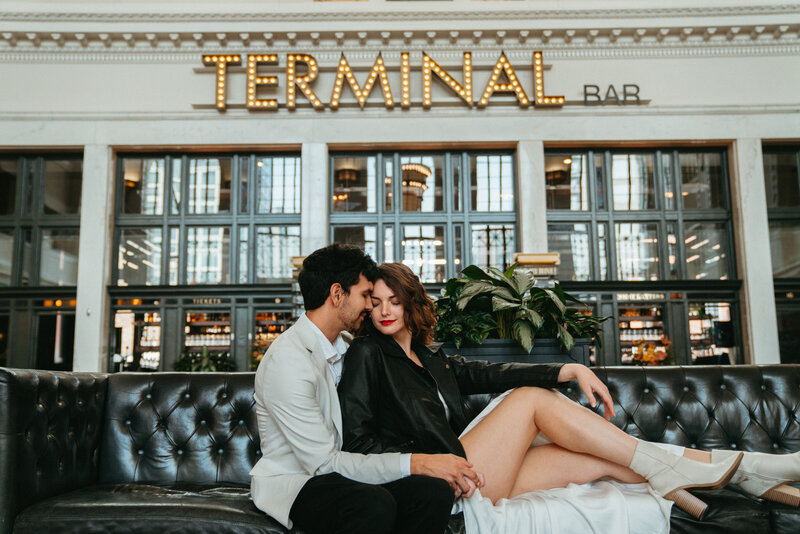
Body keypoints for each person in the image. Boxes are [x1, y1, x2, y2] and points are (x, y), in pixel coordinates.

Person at [339, 263, 800, 531]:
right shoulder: (366, 354)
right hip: (442, 486)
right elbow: (357, 443)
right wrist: (425, 463)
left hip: (473, 473)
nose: (383, 311)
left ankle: (748, 474)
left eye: (393, 301)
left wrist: (567, 367)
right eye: (375, 301)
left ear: (410, 303)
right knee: (528, 400)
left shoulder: (430, 356)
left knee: (602, 462)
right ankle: (736, 468)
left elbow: (486, 371)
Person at [249, 245, 485, 534]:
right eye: (365, 296)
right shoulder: (288, 361)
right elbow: (325, 464)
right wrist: (419, 462)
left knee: (431, 491)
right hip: (299, 481)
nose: (371, 307)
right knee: (373, 503)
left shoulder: (349, 345)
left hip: (345, 470)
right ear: (337, 294)